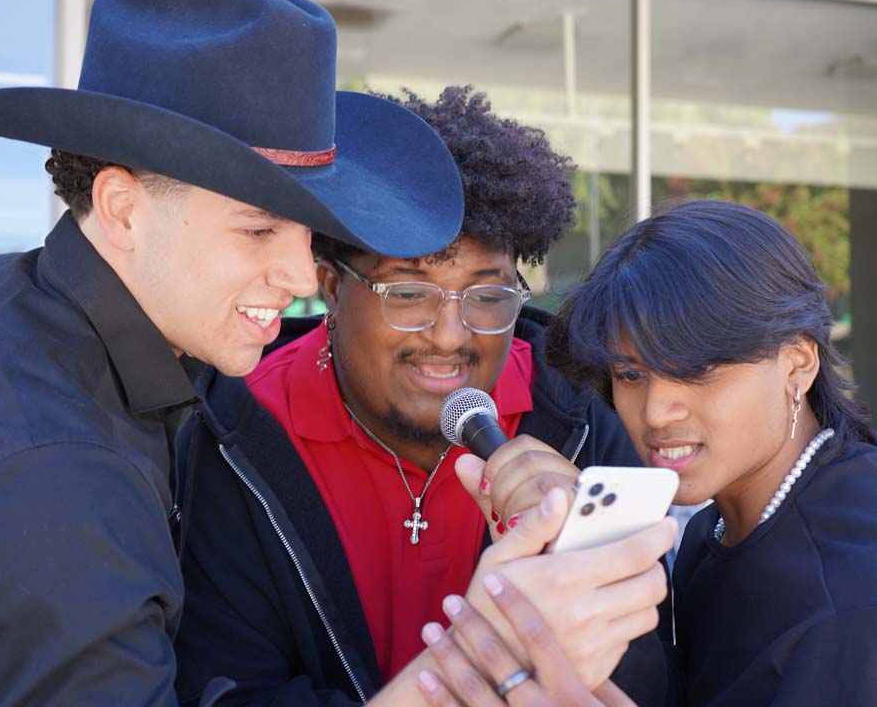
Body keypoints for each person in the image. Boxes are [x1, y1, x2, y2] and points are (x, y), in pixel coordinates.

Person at [0, 0, 471, 705]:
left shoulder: (7, 298)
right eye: (257, 229)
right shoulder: (57, 484)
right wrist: (473, 673)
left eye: (310, 233)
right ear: (122, 209)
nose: (300, 272)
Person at [174, 86, 672, 706]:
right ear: (330, 286)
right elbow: (229, 692)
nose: (449, 336)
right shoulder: (238, 431)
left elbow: (649, 684)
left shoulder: (581, 419)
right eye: (407, 293)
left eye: (487, 296)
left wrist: (571, 553)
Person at [546, 199, 877, 705]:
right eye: (631, 374)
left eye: (697, 369)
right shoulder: (724, 524)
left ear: (798, 365)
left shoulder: (867, 619)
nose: (655, 411)